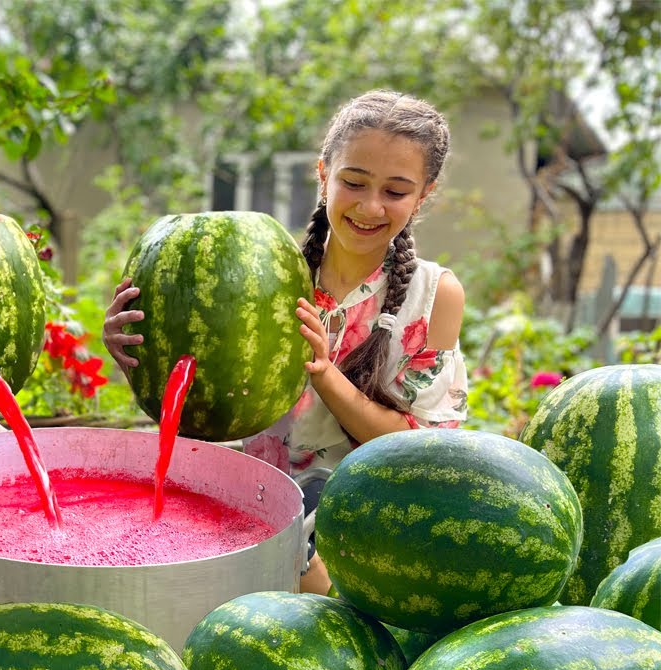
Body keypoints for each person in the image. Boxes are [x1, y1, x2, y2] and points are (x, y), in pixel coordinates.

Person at [102, 90, 468, 595]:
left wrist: (324, 373)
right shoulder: (260, 278)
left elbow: (417, 451)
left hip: (369, 545)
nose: (369, 206)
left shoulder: (434, 296)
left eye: (396, 191)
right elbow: (206, 417)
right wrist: (143, 357)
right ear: (323, 174)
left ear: (423, 194)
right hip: (256, 525)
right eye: (353, 182)